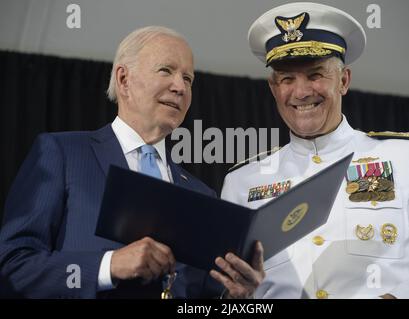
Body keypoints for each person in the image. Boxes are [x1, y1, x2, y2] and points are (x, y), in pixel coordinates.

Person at [0, 26, 264, 299]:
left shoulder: (201, 194)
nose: (180, 87)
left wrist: (235, 297)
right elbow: (12, 267)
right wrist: (108, 266)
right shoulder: (62, 154)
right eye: (166, 70)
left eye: (188, 78)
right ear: (124, 79)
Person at [221, 3, 409, 298]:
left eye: (315, 75)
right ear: (273, 88)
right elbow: (227, 290)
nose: (302, 92)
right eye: (287, 79)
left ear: (343, 81)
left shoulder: (408, 156)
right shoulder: (242, 182)